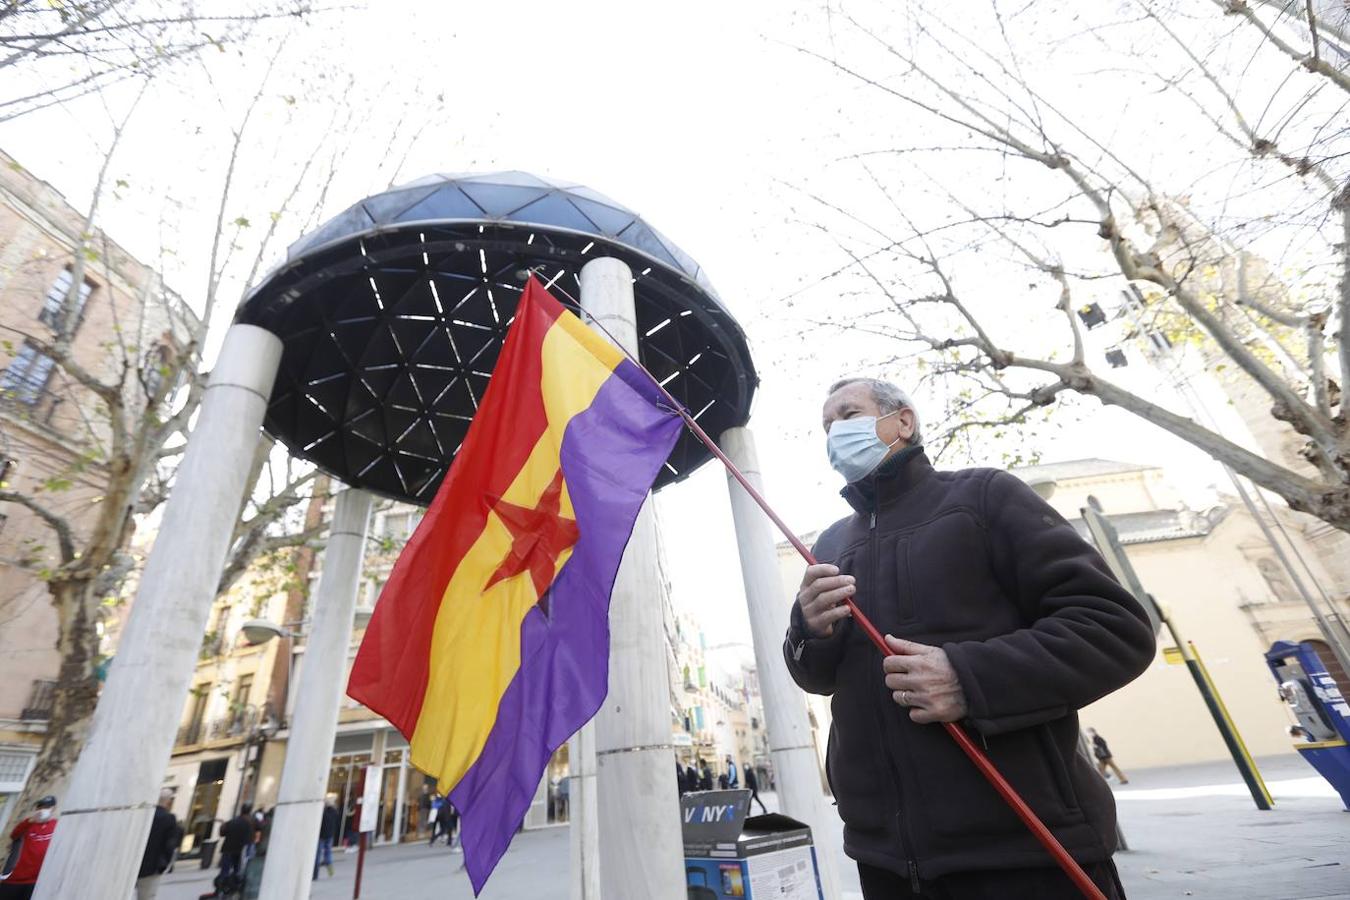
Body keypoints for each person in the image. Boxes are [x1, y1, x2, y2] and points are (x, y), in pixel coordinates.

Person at [784, 378, 1155, 900]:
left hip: (1025, 848)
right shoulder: (829, 542)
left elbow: (1114, 627)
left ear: (902, 422)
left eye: (848, 415)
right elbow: (813, 676)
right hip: (884, 860)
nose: (834, 434)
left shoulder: (984, 497)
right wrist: (808, 628)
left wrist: (968, 678)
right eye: (826, 426)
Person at [0, 795, 57, 900]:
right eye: (39, 807)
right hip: (15, 878)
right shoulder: (28, 824)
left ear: (53, 809)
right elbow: (14, 835)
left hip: (38, 881)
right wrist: (30, 821)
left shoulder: (56, 825)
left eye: (46, 807)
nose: (42, 810)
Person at [136, 789, 181, 900]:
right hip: (152, 866)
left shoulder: (145, 815)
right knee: (146, 896)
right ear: (169, 801)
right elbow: (170, 845)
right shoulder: (169, 818)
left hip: (135, 863)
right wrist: (165, 864)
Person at [217, 805, 254, 888]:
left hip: (227, 849)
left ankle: (221, 888)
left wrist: (222, 825)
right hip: (238, 851)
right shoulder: (248, 824)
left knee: (224, 871)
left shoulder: (232, 821)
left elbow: (222, 833)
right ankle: (231, 888)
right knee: (236, 870)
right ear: (249, 812)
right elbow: (250, 839)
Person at [314, 793, 339, 879]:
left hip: (321, 835)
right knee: (328, 852)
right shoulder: (335, 812)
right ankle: (330, 871)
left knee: (318, 854)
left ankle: (315, 874)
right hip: (330, 835)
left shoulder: (323, 812)